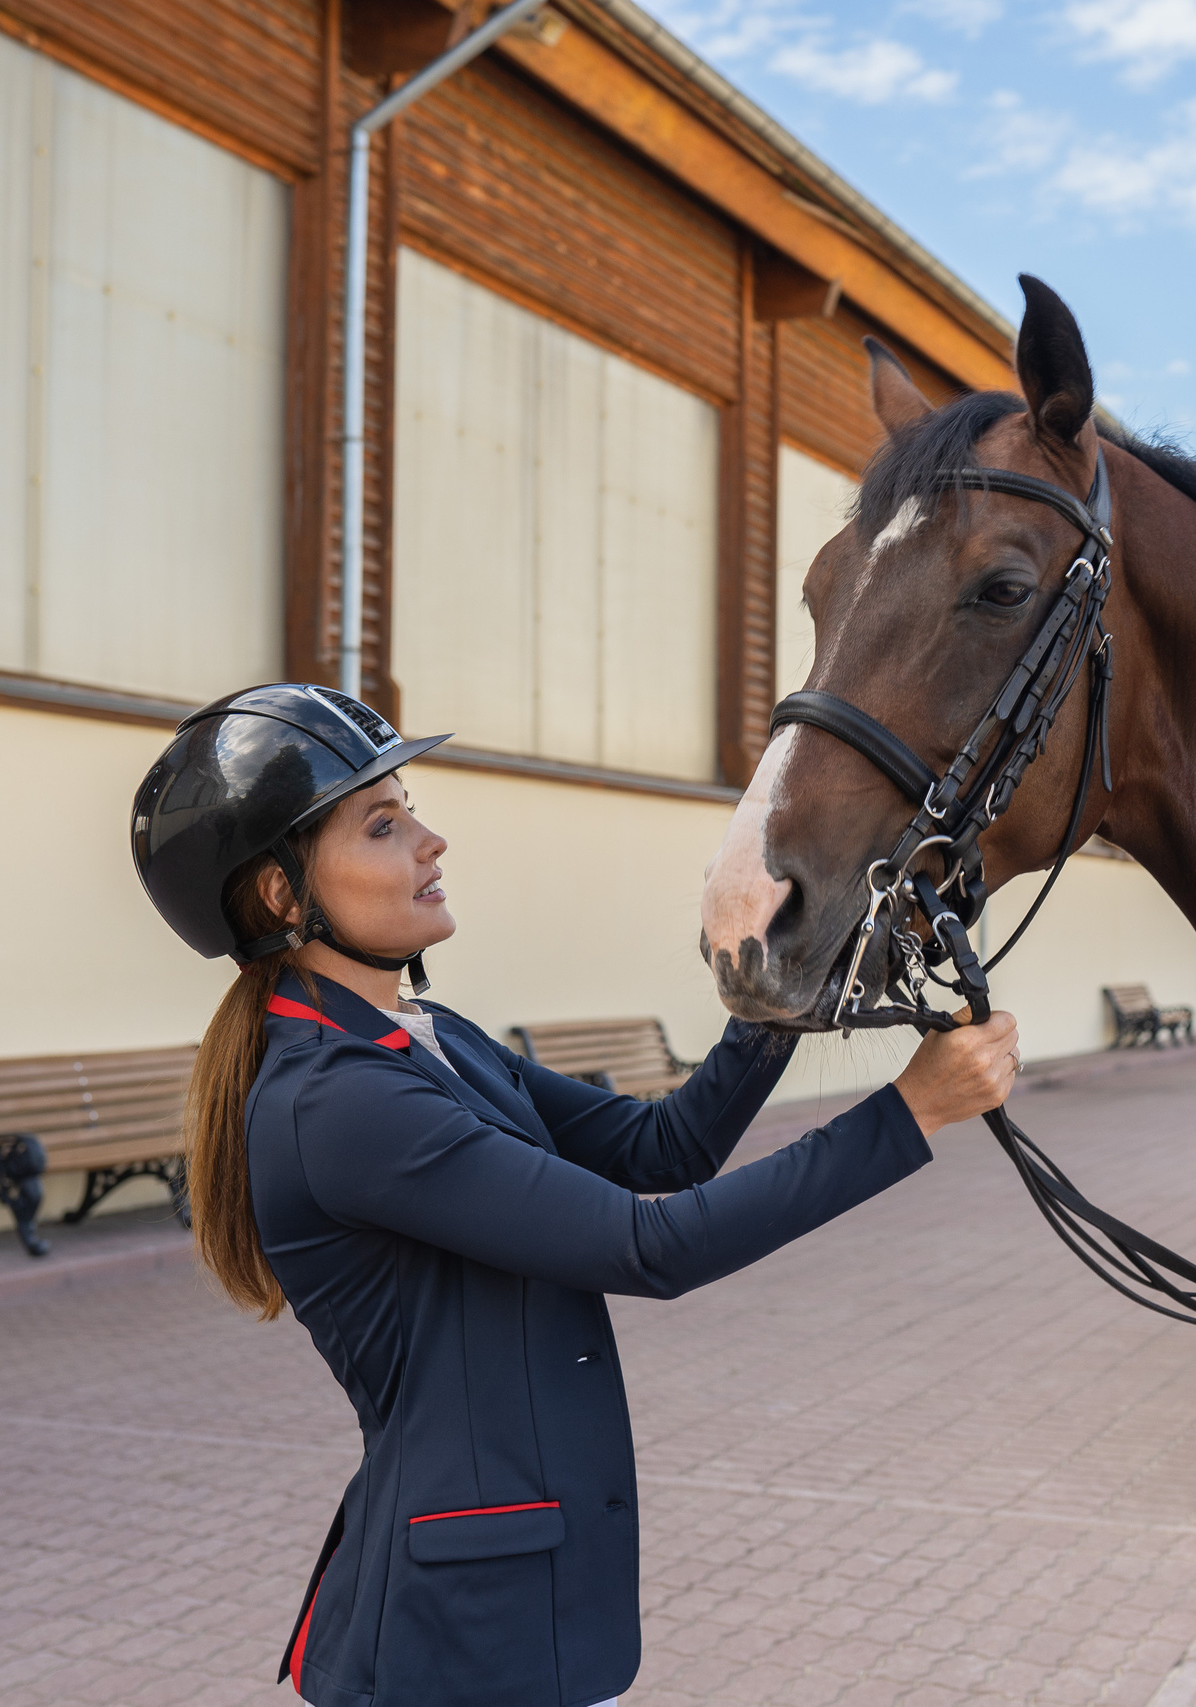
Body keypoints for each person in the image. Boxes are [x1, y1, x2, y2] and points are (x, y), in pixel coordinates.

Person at [130, 683, 1019, 1707]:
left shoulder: (429, 1036)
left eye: (409, 806)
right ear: (286, 897)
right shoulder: (338, 1102)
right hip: (457, 1644)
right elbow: (650, 1246)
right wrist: (907, 1115)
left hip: (516, 1613)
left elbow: (661, 1148)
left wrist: (779, 984)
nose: (432, 841)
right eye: (384, 825)